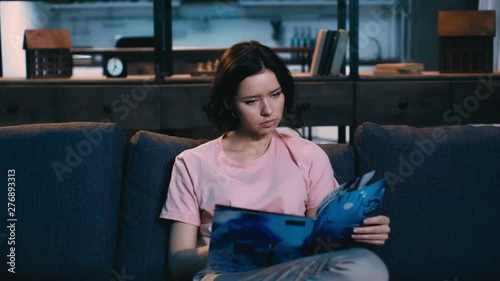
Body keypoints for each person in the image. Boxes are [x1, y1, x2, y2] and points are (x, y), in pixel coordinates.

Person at [160, 40, 391, 281]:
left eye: (275, 94)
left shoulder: (308, 156)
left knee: (367, 265)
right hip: (227, 275)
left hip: (291, 272)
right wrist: (232, 246)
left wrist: (360, 233)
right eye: (252, 101)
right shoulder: (192, 163)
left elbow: (320, 246)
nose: (268, 111)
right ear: (229, 103)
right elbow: (178, 264)